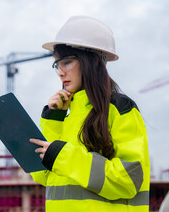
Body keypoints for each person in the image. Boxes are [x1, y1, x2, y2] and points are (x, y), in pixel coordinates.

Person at [29, 15, 150, 211]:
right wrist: (53, 119)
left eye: (66, 62)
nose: (60, 72)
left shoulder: (120, 109)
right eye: (57, 65)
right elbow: (43, 176)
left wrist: (65, 157)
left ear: (92, 61)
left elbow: (128, 180)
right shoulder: (67, 116)